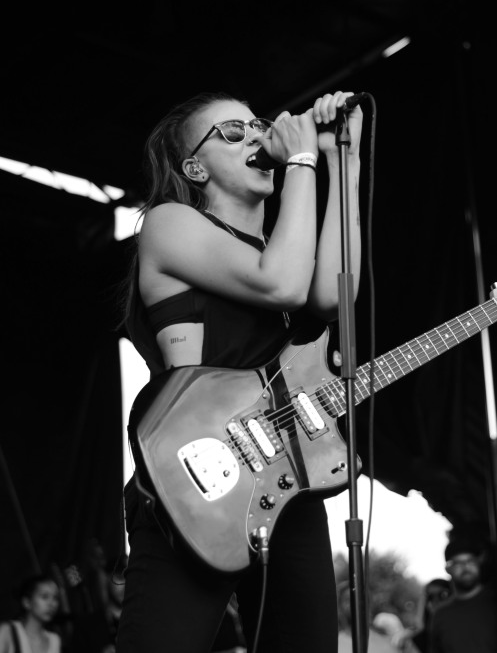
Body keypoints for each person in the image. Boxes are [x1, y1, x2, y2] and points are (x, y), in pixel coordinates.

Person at [116, 89, 363, 653]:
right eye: (233, 132)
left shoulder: (282, 250)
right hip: (191, 479)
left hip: (284, 476)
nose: (256, 135)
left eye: (256, 125)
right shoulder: (169, 222)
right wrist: (299, 161)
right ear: (194, 167)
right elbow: (282, 283)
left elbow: (333, 295)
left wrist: (339, 160)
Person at [428, 538, 497, 652]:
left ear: (479, 563)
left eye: (470, 561)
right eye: (458, 563)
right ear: (448, 569)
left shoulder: (493, 603)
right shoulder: (440, 615)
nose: (466, 567)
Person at [0, 574, 61, 653]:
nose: (52, 604)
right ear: (27, 602)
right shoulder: (8, 631)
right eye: (44, 596)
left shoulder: (54, 640)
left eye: (55, 598)